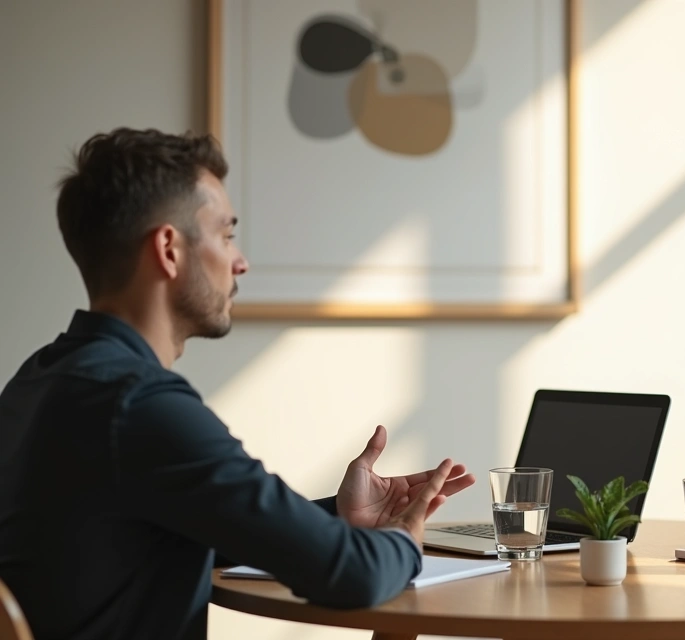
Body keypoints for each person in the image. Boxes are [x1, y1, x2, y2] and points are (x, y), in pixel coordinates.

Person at [0, 127, 476, 640]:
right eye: (226, 236)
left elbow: (179, 520)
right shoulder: (141, 406)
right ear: (168, 248)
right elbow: (353, 577)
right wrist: (406, 538)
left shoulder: (40, 379)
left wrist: (338, 515)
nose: (240, 260)